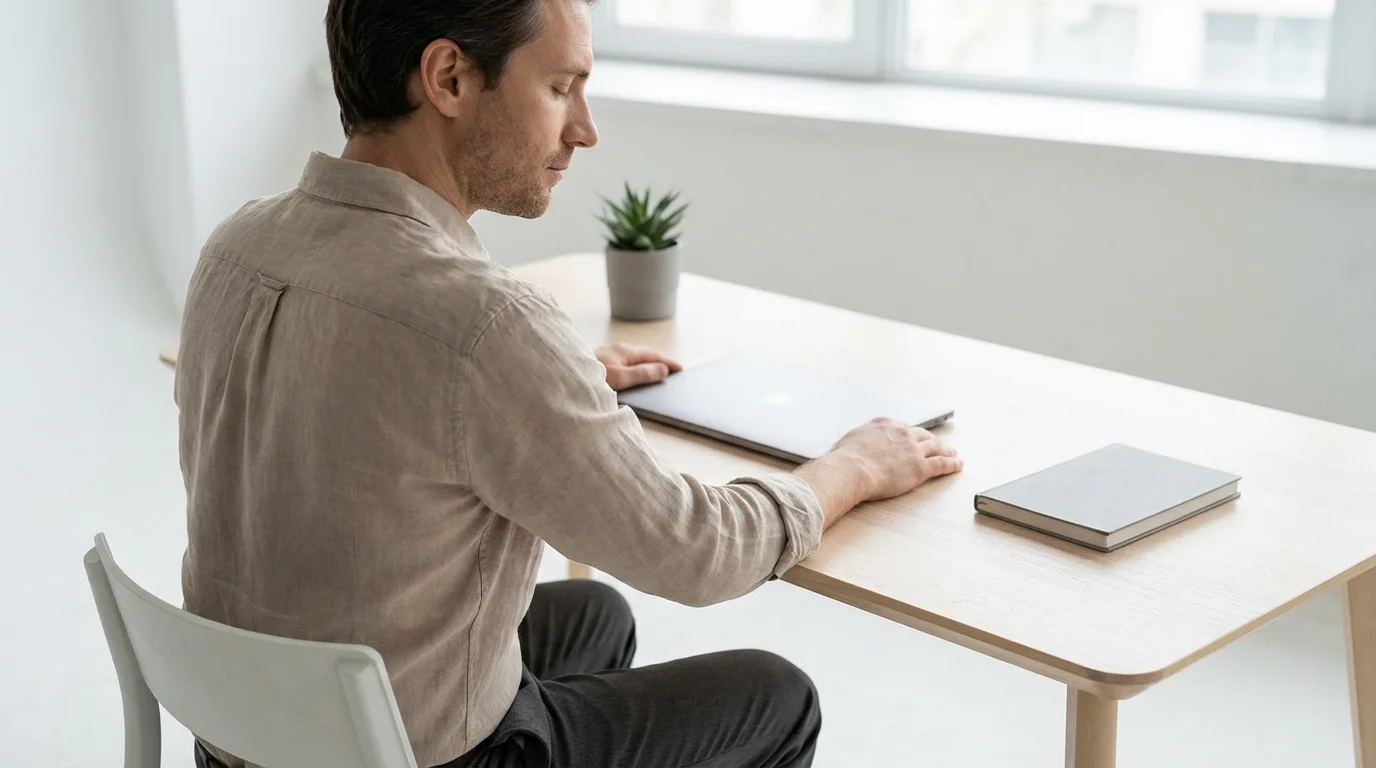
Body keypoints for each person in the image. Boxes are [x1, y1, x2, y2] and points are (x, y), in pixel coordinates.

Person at [177, 1, 963, 766]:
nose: (584, 129)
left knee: (593, 615)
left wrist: (554, 380)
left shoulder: (239, 244)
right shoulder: (483, 325)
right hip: (406, 756)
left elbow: (355, 393)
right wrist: (849, 469)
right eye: (560, 88)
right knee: (777, 695)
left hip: (246, 732)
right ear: (448, 78)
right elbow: (696, 552)